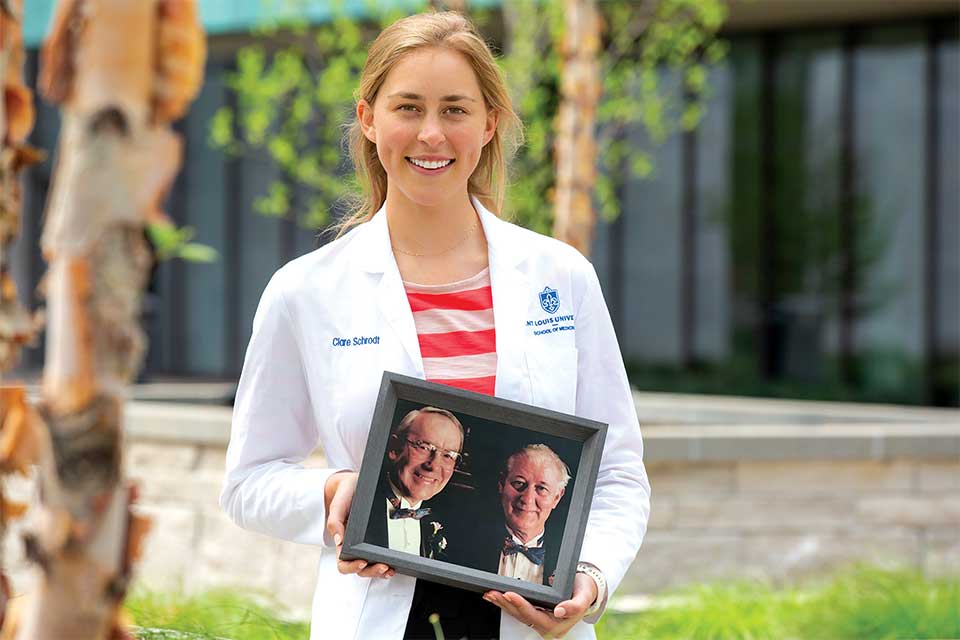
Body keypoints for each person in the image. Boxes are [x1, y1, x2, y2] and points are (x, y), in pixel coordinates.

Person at [220, 11, 650, 640]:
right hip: (378, 615)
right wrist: (336, 492)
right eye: (407, 108)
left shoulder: (562, 278)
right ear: (369, 120)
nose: (430, 134)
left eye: (454, 110)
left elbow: (616, 471)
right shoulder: (305, 292)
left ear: (488, 124)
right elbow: (247, 483)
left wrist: (589, 577)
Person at [367, 407, 464, 558]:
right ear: (394, 448)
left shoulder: (448, 528)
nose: (433, 465)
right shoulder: (361, 503)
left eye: (448, 455)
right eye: (424, 447)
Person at [497, 444, 570, 585]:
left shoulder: (571, 562)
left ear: (557, 497)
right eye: (519, 483)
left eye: (541, 488)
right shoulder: (463, 542)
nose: (527, 499)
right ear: (501, 484)